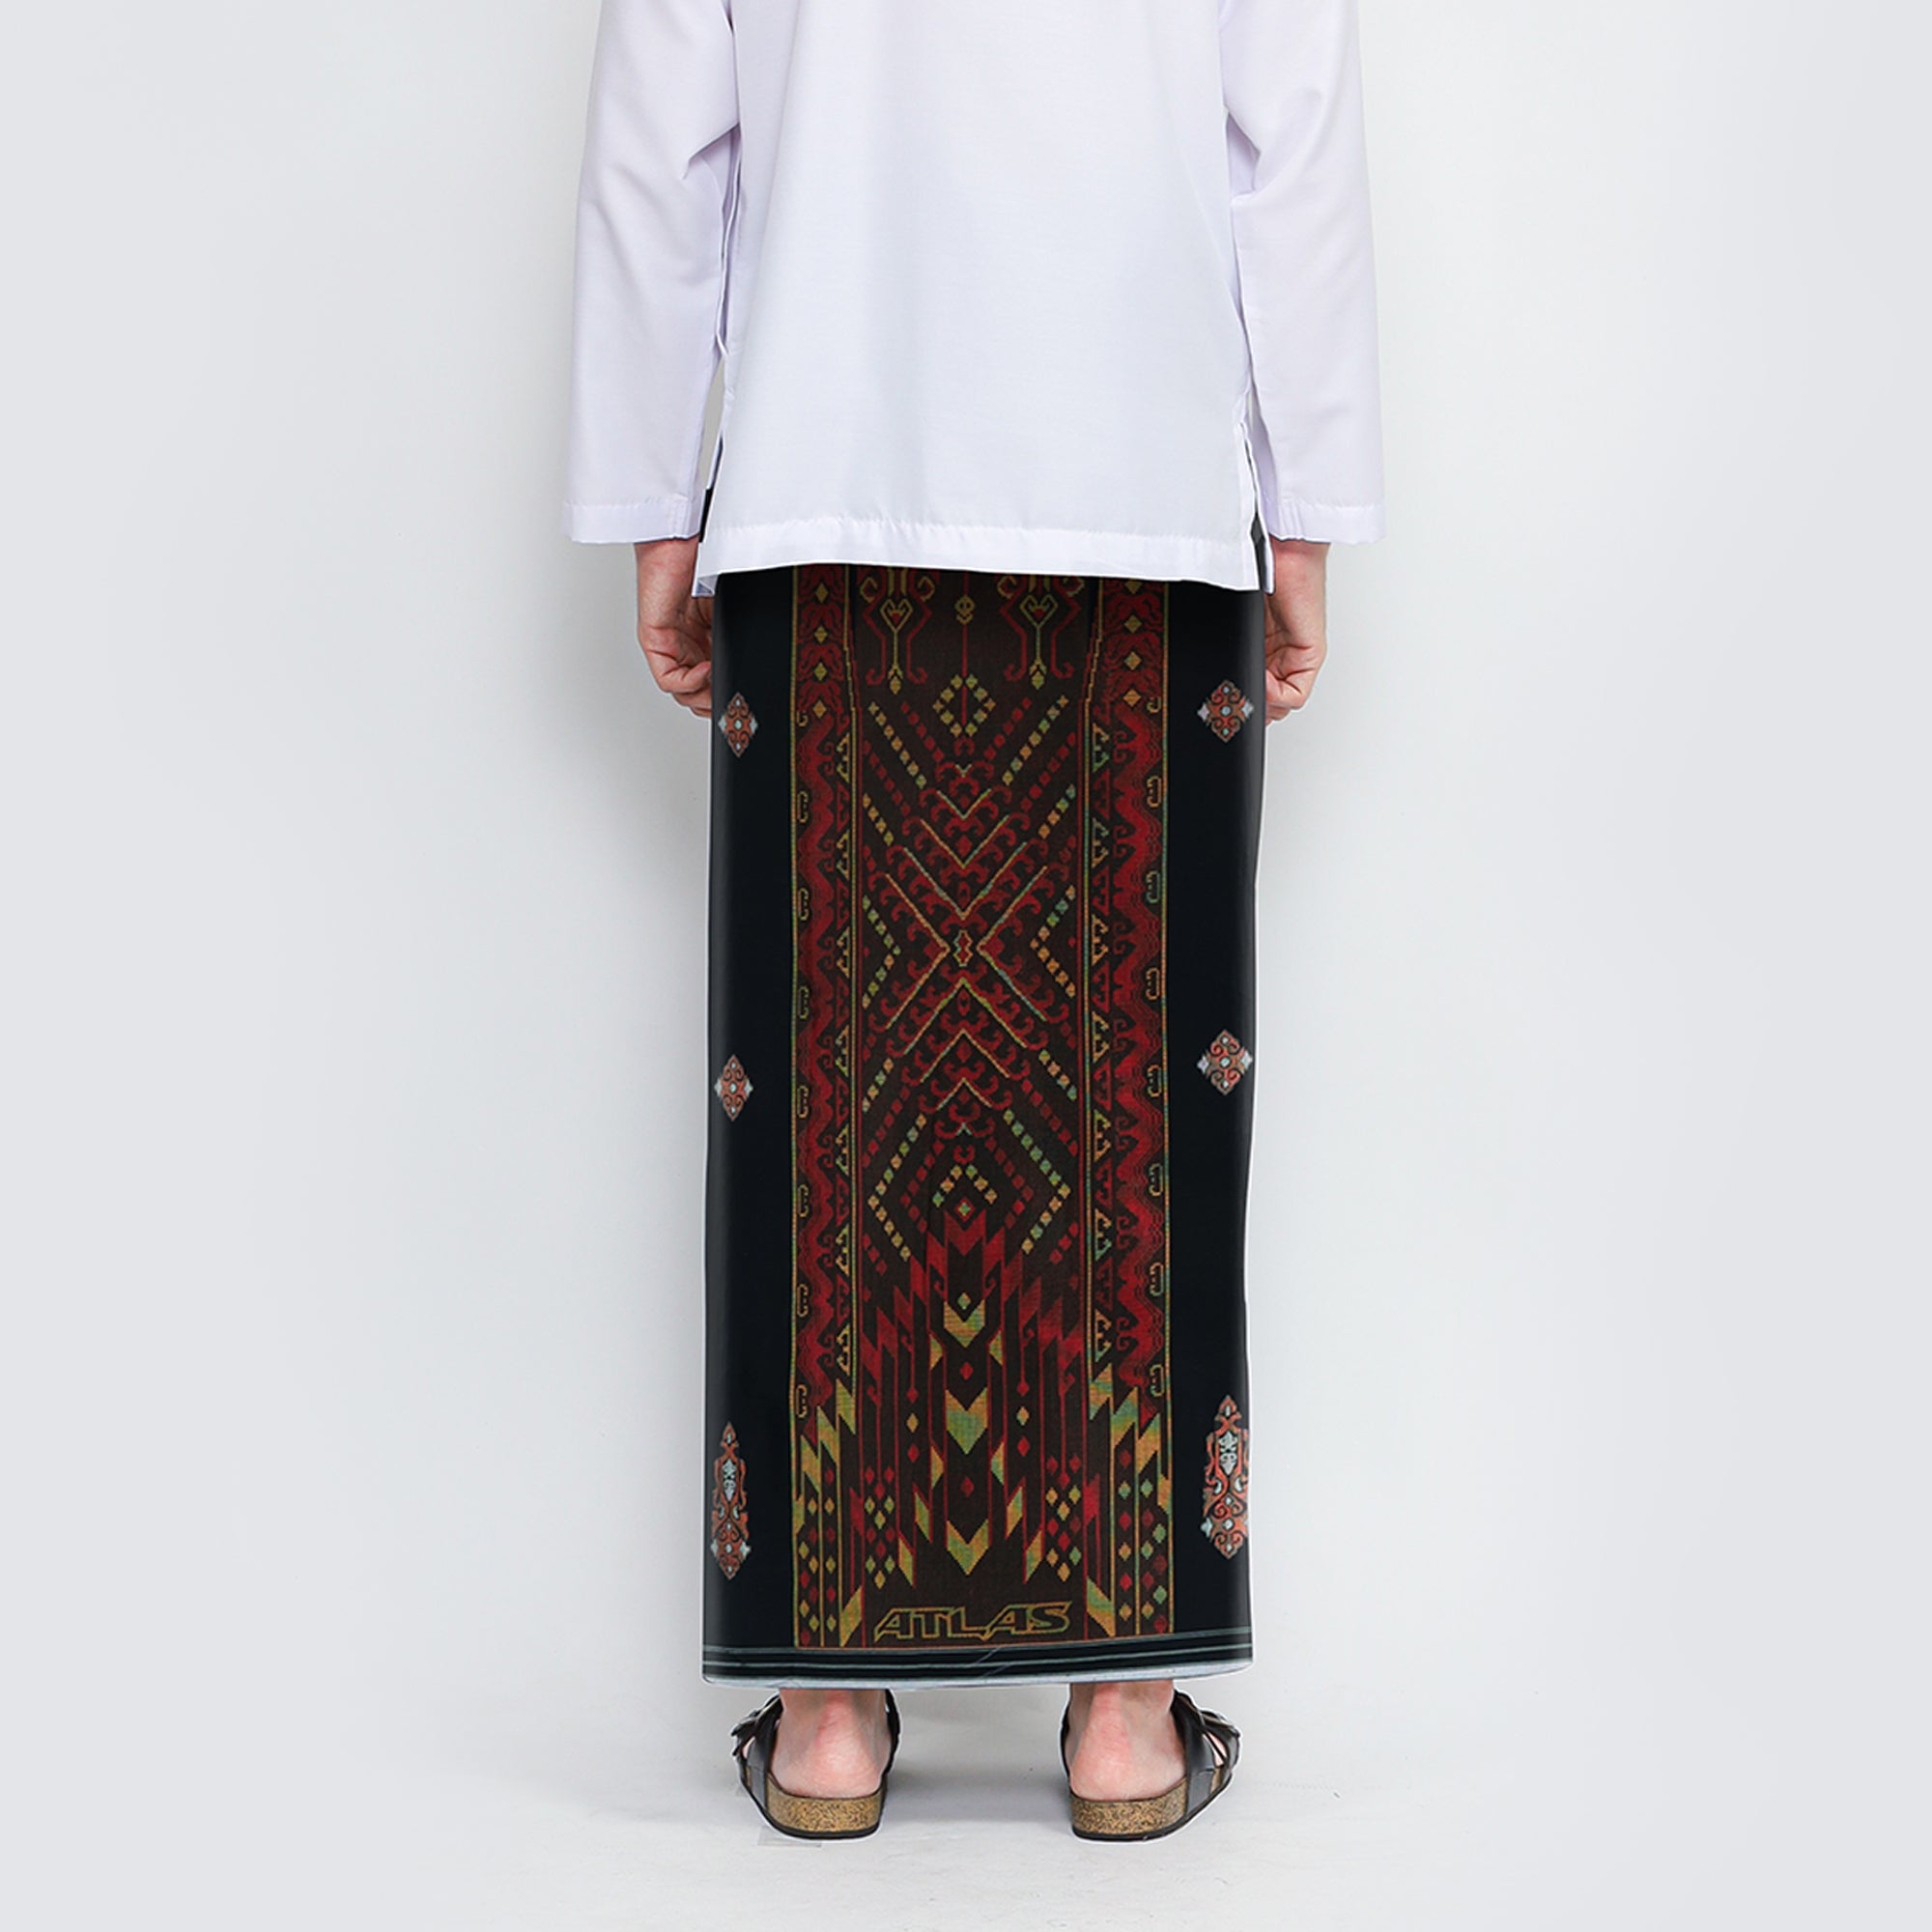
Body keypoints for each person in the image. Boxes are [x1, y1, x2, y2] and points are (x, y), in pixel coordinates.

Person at [562, 0, 1384, 1841]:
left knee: (820, 1088)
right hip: (1146, 482)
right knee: (1143, 1090)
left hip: (823, 457)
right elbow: (1296, 137)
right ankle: (1125, 1725)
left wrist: (655, 505)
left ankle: (828, 1722)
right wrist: (1311, 508)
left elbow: (658, 143)